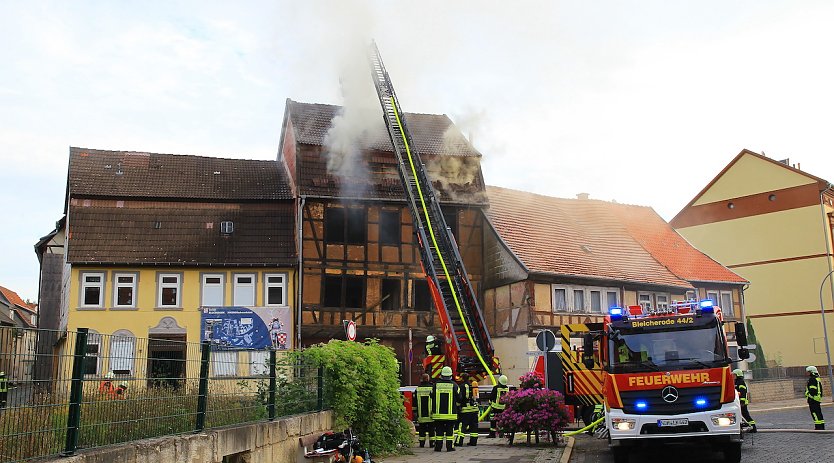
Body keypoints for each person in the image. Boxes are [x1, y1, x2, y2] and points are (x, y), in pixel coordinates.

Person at [431, 366, 459, 452]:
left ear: (441, 375)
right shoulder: (455, 385)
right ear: (450, 375)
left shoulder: (436, 385)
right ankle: (449, 447)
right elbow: (459, 398)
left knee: (439, 432)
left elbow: (431, 395)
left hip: (438, 415)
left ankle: (438, 447)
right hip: (451, 415)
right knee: (450, 431)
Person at [457, 373, 479, 447]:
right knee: (474, 427)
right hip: (475, 409)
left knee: (462, 426)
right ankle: (473, 442)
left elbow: (460, 398)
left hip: (466, 410)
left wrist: (458, 406)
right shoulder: (473, 386)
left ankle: (459, 442)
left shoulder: (462, 386)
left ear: (462, 378)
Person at [413, 374, 434, 448]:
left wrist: (415, 412)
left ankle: (422, 443)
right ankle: (432, 443)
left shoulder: (418, 389)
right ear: (428, 379)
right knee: (431, 429)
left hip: (421, 413)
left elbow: (414, 402)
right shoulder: (432, 388)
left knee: (422, 429)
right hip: (431, 413)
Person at [805, 365, 825, 430]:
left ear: (811, 372)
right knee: (819, 413)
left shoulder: (812, 379)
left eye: (808, 372)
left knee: (815, 413)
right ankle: (821, 426)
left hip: (813, 399)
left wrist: (808, 394)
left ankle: (818, 427)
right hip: (817, 399)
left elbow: (812, 390)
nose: (806, 373)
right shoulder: (817, 378)